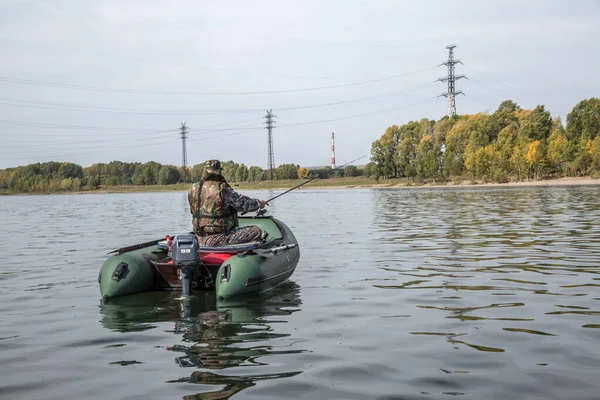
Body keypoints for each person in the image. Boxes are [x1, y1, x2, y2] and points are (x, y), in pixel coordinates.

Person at [188, 159, 269, 247]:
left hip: (198, 238)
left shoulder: (193, 188)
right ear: (218, 171)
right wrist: (259, 203)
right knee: (256, 230)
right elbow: (243, 204)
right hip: (218, 238)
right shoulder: (222, 188)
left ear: (204, 171)